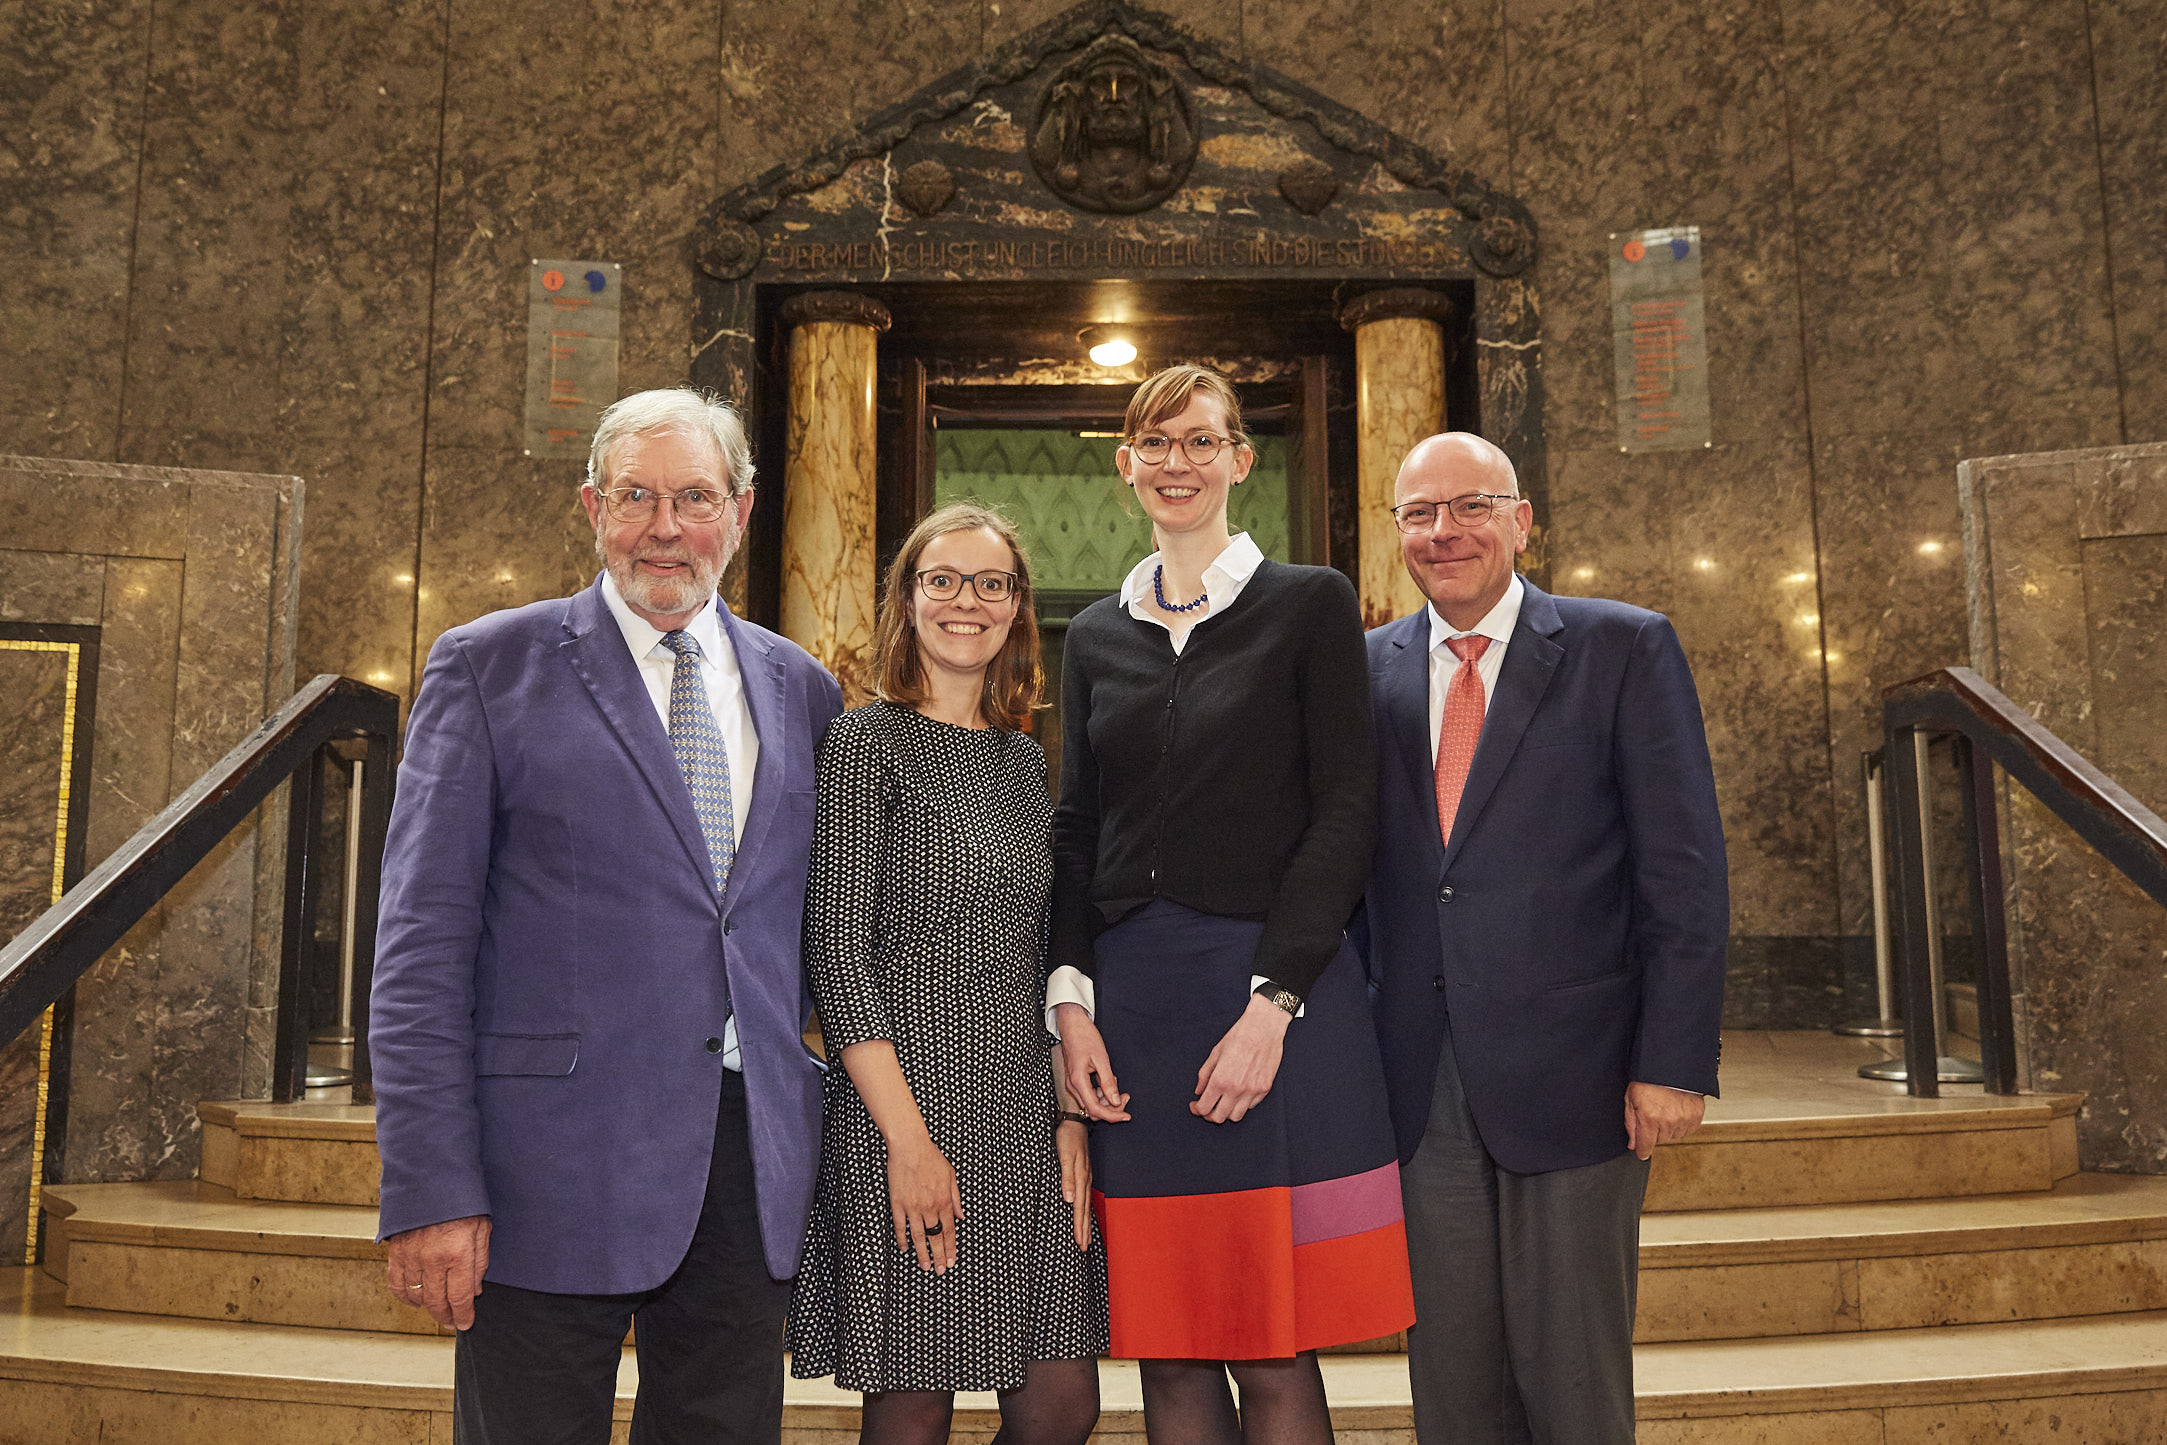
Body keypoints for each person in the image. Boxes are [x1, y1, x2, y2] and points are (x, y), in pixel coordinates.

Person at [369, 387, 843, 1444]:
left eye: (693, 497)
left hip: (744, 1163)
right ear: (592, 505)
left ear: (741, 511)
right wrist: (431, 1183)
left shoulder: (800, 687)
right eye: (636, 496)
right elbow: (419, 947)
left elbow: (812, 934)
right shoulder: (488, 665)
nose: (664, 527)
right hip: (546, 1165)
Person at [1050, 364, 1413, 1445]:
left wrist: (1274, 1004)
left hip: (1266, 995)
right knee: (1168, 1340)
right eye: (1154, 445)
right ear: (1126, 465)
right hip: (1136, 1011)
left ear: (1239, 461)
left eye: (1199, 442)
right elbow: (1076, 830)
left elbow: (1345, 812)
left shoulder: (1309, 603)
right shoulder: (1096, 633)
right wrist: (1069, 1003)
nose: (1176, 463)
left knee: (1269, 1342)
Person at [1361, 432, 1728, 1445]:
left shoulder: (1622, 647)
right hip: (1420, 1087)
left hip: (1581, 1075)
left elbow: (1682, 872)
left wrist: (1672, 1059)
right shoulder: (1366, 672)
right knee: (1453, 1385)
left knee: (1574, 1387)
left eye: (1471, 506)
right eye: (1420, 514)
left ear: (1522, 520)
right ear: (1396, 534)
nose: (1445, 532)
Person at [786, 502, 1106, 1445]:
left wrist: (1065, 1113)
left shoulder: (1017, 758)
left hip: (1017, 1106)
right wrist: (907, 1143)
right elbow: (837, 958)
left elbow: (1035, 946)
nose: (966, 600)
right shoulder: (862, 743)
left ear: (1016, 610)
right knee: (913, 1409)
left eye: (990, 583)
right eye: (943, 580)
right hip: (908, 1102)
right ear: (907, 599)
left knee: (1062, 1405)